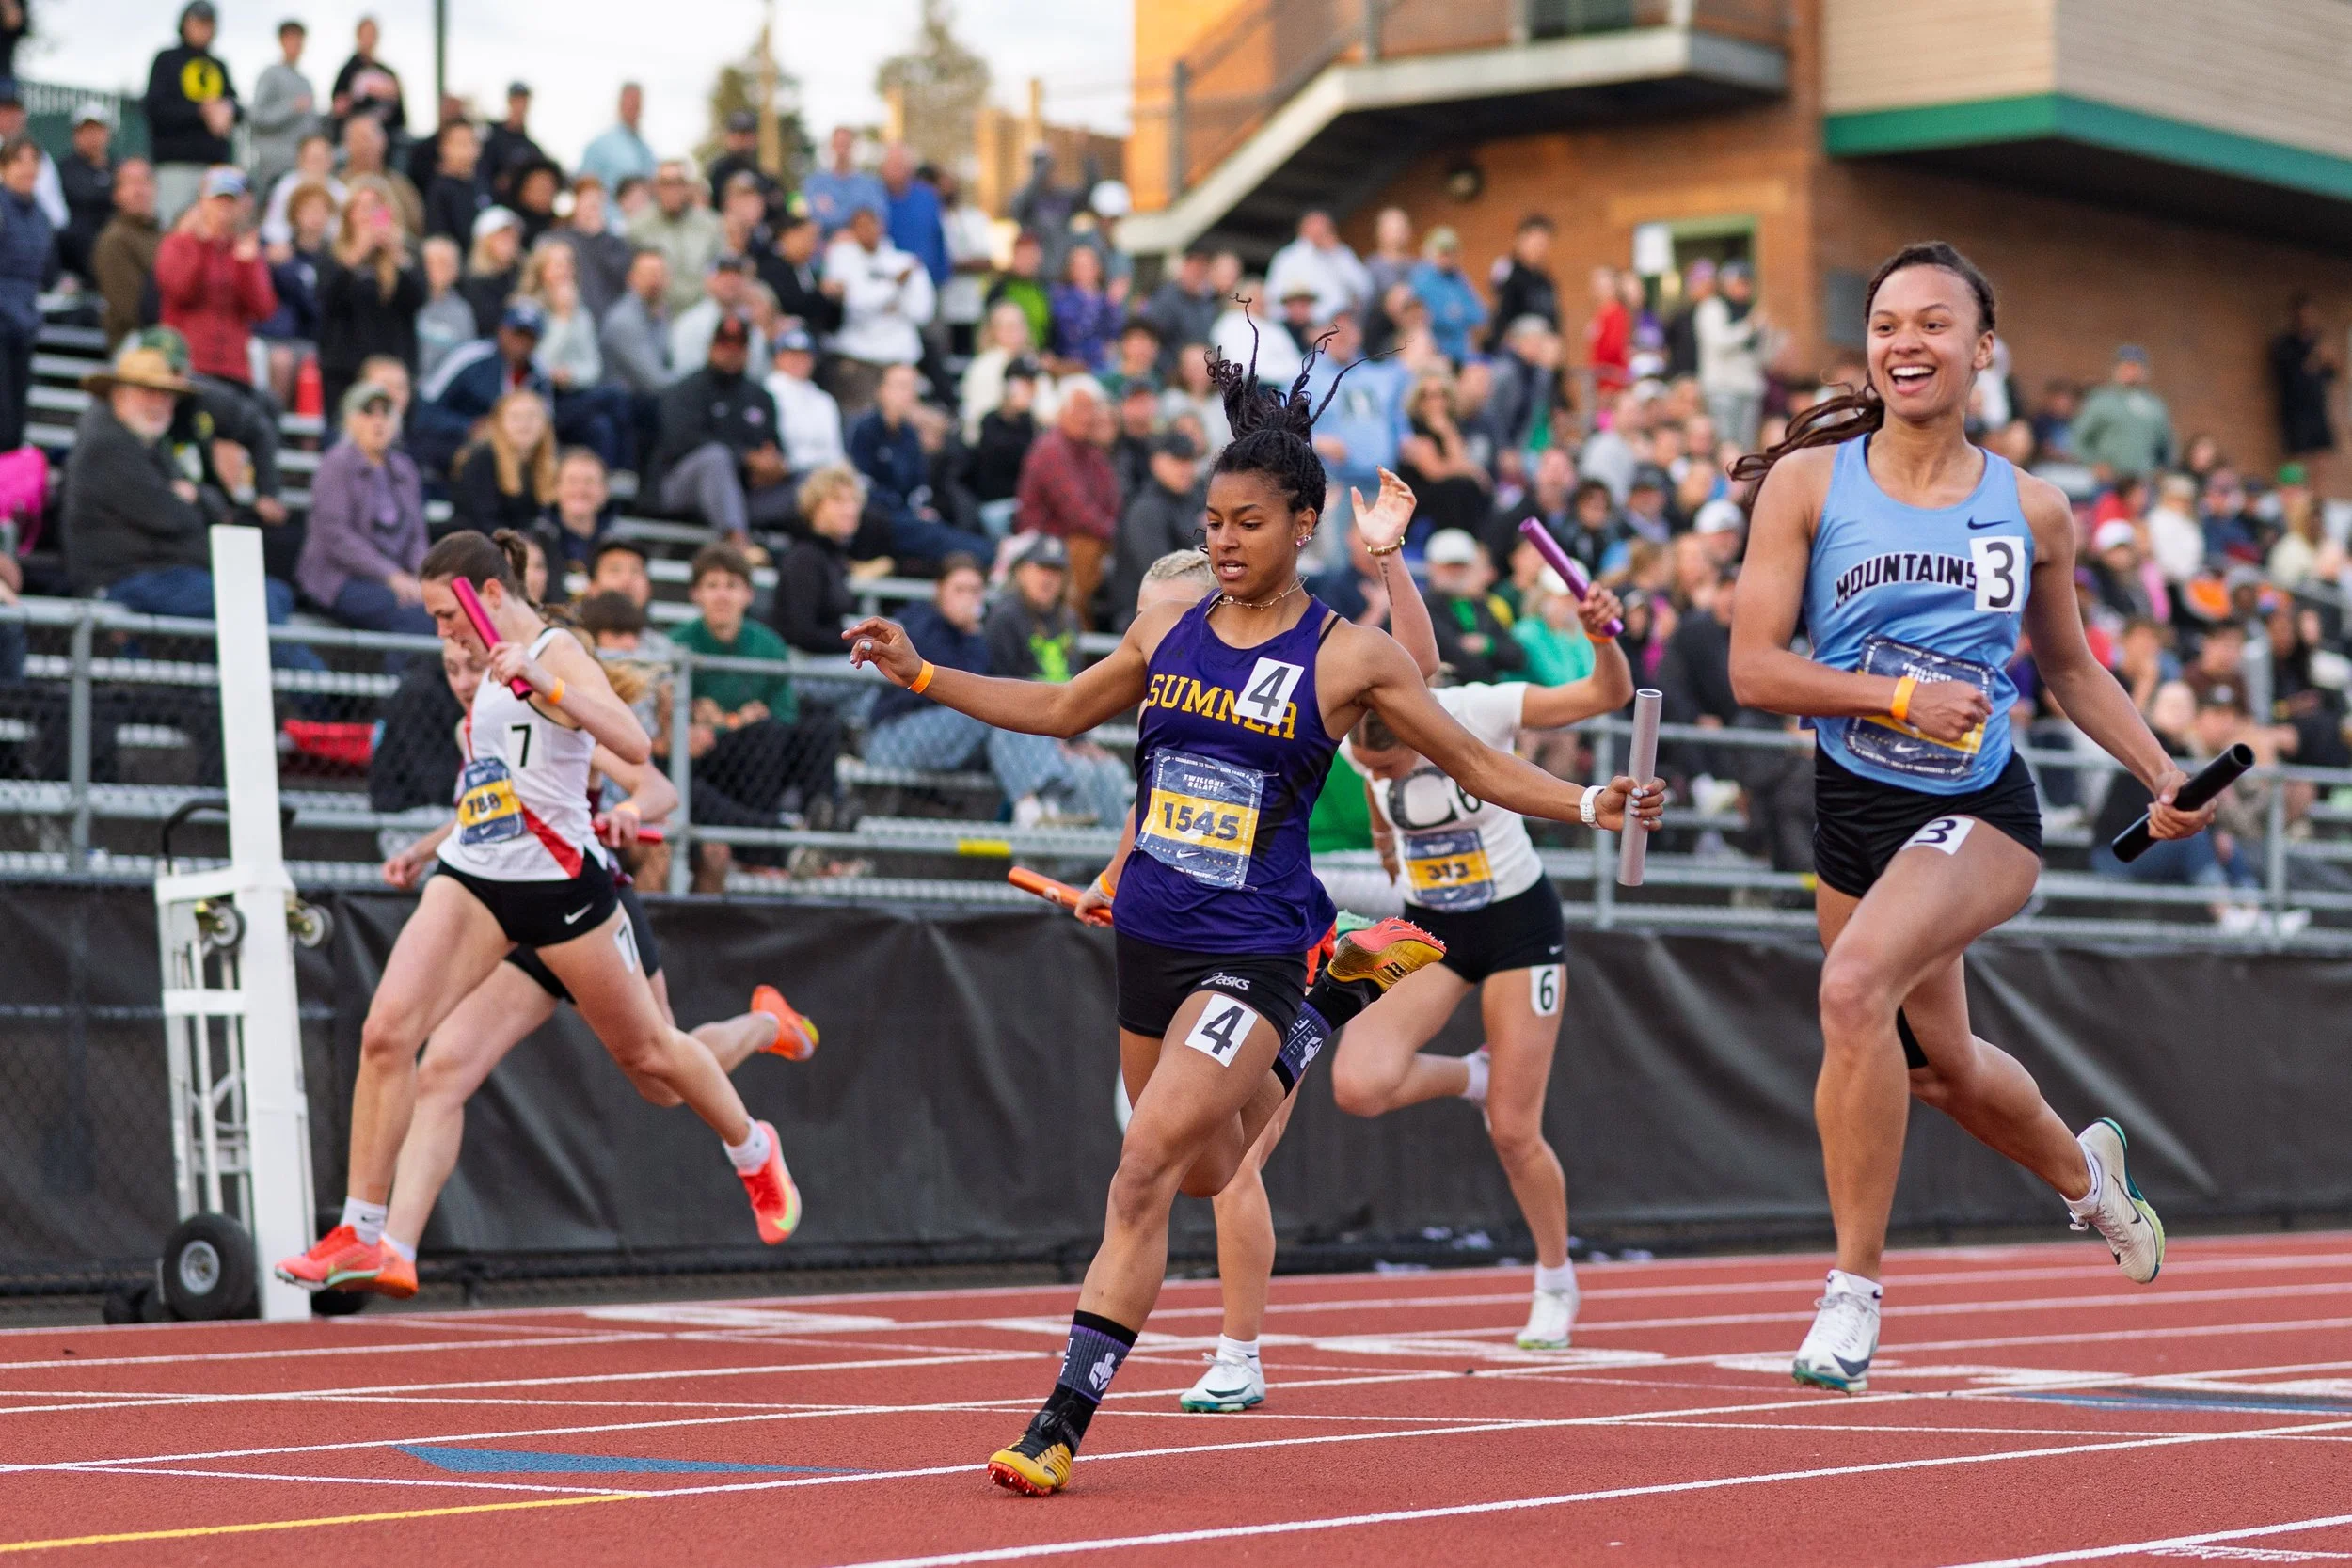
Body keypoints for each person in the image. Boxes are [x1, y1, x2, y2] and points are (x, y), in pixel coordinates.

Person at [843, 337, 1661, 1494]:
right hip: (1153, 939)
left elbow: (1474, 757)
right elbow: (1060, 705)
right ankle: (1327, 1016)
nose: (1224, 539)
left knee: (1138, 1167)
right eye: (1212, 519)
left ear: (1303, 527)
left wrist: (1587, 797)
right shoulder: (1168, 627)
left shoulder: (1347, 657)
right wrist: (923, 672)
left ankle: (1057, 1421)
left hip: (1254, 948)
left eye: (1248, 522)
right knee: (1201, 1168)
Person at [1724, 242, 2219, 1397]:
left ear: (1981, 348)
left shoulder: (2032, 507)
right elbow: (1753, 667)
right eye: (1887, 323)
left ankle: (1852, 1293)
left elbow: (2071, 668)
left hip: (1978, 815)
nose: (1907, 342)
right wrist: (1891, 694)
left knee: (1851, 989)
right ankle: (2089, 1176)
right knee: (1935, 1067)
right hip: (1852, 808)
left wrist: (2161, 770)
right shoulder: (1809, 485)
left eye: (1934, 323)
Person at [274, 530, 803, 1296]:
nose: (442, 641)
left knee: (655, 1060)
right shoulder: (476, 695)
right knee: (391, 1033)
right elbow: (489, 802)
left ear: (487, 595)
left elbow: (633, 744)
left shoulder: (553, 654)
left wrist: (550, 692)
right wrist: (428, 851)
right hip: (478, 882)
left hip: (566, 891)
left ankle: (753, 1146)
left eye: (444, 618)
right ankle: (365, 1233)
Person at [368, 635, 818, 1292]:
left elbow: (657, 785)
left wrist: (631, 811)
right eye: (453, 668)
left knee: (664, 1076)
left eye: (474, 666)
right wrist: (424, 847)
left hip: (588, 911)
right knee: (442, 1067)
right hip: (512, 918)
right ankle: (396, 1246)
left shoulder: (556, 713)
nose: (466, 680)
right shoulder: (482, 727)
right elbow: (488, 813)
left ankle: (762, 1026)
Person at [866, 556, 1120, 825]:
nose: (968, 598)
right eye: (959, 590)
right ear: (939, 591)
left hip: (953, 738)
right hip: (896, 739)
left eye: (975, 591)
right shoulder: (920, 625)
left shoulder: (976, 636)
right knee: (996, 713)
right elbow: (948, 682)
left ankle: (1037, 809)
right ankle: (1032, 813)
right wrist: (973, 638)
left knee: (1006, 714)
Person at [673, 542, 843, 827]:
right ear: (695, 594)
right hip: (709, 756)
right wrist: (736, 721)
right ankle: (769, 838)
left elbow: (784, 712)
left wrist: (724, 719)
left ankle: (820, 827)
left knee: (820, 726)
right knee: (762, 736)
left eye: (732, 585)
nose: (722, 595)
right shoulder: (678, 644)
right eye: (712, 585)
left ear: (748, 594)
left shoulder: (769, 644)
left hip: (765, 750)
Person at [298, 380, 430, 636]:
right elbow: (337, 537)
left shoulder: (405, 468)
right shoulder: (335, 464)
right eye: (368, 413)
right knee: (411, 615)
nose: (378, 421)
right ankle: (404, 677)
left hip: (398, 577)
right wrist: (391, 575)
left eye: (386, 413)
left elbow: (417, 534)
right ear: (350, 420)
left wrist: (423, 577)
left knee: (438, 605)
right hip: (340, 580)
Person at [647, 314, 792, 545]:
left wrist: (775, 465)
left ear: (747, 351)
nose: (731, 352)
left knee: (815, 479)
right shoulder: (686, 390)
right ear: (711, 348)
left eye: (738, 346)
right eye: (725, 345)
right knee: (715, 457)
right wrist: (746, 458)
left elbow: (773, 445)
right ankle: (737, 542)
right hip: (682, 485)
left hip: (746, 491)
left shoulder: (761, 397)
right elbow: (680, 441)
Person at [848, 362, 994, 567]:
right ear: (882, 391)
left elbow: (920, 486)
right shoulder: (863, 429)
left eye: (912, 387)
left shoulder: (910, 435)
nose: (908, 393)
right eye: (901, 386)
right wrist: (901, 505)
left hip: (909, 517)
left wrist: (920, 508)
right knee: (934, 534)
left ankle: (989, 553)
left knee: (945, 521)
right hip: (878, 519)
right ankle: (993, 555)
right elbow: (859, 483)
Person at [154, 166, 273, 396]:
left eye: (231, 201)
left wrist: (246, 266)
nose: (224, 207)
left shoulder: (245, 250)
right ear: (202, 203)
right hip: (188, 365)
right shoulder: (178, 243)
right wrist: (202, 245)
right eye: (218, 200)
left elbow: (263, 309)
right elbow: (180, 292)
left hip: (234, 369)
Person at [1015, 381, 1120, 626]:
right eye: (1081, 408)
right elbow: (1077, 512)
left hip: (1080, 542)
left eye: (1093, 409)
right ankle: (1079, 636)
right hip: (1042, 545)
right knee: (1085, 549)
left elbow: (1112, 500)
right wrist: (1115, 535)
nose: (1089, 416)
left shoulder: (1091, 452)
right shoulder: (1052, 449)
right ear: (1062, 410)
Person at [317, 178, 422, 419]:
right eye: (360, 207)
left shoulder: (408, 252)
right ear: (348, 214)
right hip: (344, 369)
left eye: (375, 206)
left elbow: (418, 300)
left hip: (393, 366)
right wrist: (356, 254)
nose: (368, 214)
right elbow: (327, 300)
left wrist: (397, 256)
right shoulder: (331, 252)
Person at [824, 203, 934, 418]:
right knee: (860, 422)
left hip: (899, 359)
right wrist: (895, 286)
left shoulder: (904, 261)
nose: (867, 231)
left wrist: (887, 299)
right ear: (852, 230)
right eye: (860, 226)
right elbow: (856, 303)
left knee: (904, 422)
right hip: (860, 360)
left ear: (881, 226)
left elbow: (922, 312)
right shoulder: (841, 257)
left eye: (871, 224)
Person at [145, 0, 240, 224]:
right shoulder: (167, 60)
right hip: (176, 165)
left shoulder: (219, 65)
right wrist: (200, 111)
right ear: (184, 24)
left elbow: (236, 106)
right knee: (175, 228)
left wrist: (228, 111)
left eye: (208, 23)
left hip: (214, 168)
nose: (203, 29)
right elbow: (155, 109)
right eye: (197, 22)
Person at [769, 466, 866, 653]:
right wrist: (853, 644)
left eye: (854, 501)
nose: (850, 510)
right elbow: (802, 633)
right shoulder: (805, 558)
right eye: (839, 501)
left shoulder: (832, 557)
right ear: (815, 507)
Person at [1110, 432, 1203, 626]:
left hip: (1185, 609)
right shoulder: (1146, 509)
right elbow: (1161, 572)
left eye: (1189, 461)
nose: (1186, 469)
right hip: (1143, 617)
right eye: (1178, 461)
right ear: (1157, 462)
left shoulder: (1193, 500)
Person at [0, 134, 52, 451]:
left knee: (15, 417)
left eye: (34, 161)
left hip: (22, 326)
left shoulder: (41, 216)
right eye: (19, 160)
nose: (27, 168)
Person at [1423, 530, 1527, 683]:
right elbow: (1456, 657)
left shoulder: (1479, 605)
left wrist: (1486, 645)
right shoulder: (1424, 607)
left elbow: (1517, 656)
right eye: (1448, 565)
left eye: (1461, 565)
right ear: (1432, 566)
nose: (1456, 572)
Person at [451, 388, 557, 537]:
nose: (525, 424)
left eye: (532, 416)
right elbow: (483, 521)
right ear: (499, 423)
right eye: (516, 417)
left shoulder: (548, 462)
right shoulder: (481, 460)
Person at [629, 160, 723, 315]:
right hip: (654, 316)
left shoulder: (710, 226)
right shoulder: (637, 227)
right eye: (666, 183)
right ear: (656, 188)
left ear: (688, 187)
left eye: (679, 183)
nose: (672, 190)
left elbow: (720, 271)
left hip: (700, 313)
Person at [2072, 345, 2174, 481]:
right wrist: (2094, 463)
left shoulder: (2155, 406)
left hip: (2142, 483)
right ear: (2117, 370)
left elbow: (2166, 443)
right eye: (2126, 366)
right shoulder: (2101, 400)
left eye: (2136, 367)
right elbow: (2079, 437)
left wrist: (2162, 469)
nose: (2131, 372)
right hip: (2109, 481)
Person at [1696, 261, 1769, 449]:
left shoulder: (1751, 310)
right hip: (1723, 388)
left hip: (1749, 388)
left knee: (1746, 446)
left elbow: (1761, 354)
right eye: (1740, 282)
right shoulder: (1712, 307)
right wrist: (1748, 327)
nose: (1745, 288)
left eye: (1748, 283)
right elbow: (1719, 343)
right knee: (1725, 444)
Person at [92, 159, 160, 348]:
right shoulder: (114, 239)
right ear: (117, 194)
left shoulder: (165, 236)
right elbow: (130, 311)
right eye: (131, 183)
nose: (140, 190)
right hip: (133, 341)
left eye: (145, 182)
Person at [249, 19, 321, 195]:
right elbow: (257, 116)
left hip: (304, 168)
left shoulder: (306, 82)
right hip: (275, 168)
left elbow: (312, 127)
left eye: (299, 40)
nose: (296, 44)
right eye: (291, 39)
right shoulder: (270, 75)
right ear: (282, 41)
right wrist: (291, 107)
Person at [765, 326, 845, 479]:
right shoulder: (767, 393)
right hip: (788, 476)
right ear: (778, 357)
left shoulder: (824, 400)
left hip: (825, 476)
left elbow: (835, 451)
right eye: (791, 355)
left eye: (804, 356)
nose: (798, 361)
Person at [1264, 209, 1369, 326]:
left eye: (1325, 229)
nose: (1320, 234)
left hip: (1342, 325)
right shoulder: (1287, 258)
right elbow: (1273, 300)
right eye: (1315, 229)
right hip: (1303, 327)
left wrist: (1336, 255)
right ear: (1302, 230)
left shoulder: (1342, 254)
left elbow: (1365, 289)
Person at [2269, 294, 2337, 457]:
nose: (2307, 320)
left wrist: (2331, 361)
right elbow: (2294, 373)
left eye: (2310, 314)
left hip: (2318, 408)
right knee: (2298, 459)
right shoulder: (2285, 343)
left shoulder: (2319, 339)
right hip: (2296, 411)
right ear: (2295, 315)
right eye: (2303, 315)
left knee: (2322, 456)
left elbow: (2331, 375)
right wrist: (2315, 358)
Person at [57, 104, 117, 287]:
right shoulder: (66, 168)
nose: (92, 137)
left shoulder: (118, 166)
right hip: (78, 252)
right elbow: (84, 195)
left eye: (97, 130)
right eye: (86, 131)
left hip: (113, 246)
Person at [1408, 228, 1486, 366]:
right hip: (1435, 353)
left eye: (1452, 252)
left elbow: (1479, 315)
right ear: (1430, 252)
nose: (1448, 257)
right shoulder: (1421, 280)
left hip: (1462, 353)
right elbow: (1430, 318)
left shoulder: (1458, 278)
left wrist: (1457, 314)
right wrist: (1455, 315)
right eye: (1443, 252)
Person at [340, 115, 423, 238]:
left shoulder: (400, 185)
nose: (365, 145)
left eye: (369, 138)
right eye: (358, 139)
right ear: (347, 145)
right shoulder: (338, 185)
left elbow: (416, 225)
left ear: (383, 141)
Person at [802, 126, 887, 241]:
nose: (842, 151)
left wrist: (850, 233)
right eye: (838, 145)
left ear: (854, 147)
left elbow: (878, 222)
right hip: (824, 252)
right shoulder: (814, 183)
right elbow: (812, 221)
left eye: (846, 145)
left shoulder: (871, 184)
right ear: (831, 147)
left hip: (861, 250)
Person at [1486, 214, 1558, 347]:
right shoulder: (1507, 270)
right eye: (1536, 242)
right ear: (1521, 240)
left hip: (1542, 350)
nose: (1540, 248)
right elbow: (1500, 311)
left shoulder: (1546, 281)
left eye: (1544, 244)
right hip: (1513, 347)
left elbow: (1555, 321)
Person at [330, 15, 406, 140]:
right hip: (358, 138)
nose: (369, 39)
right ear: (358, 36)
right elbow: (338, 107)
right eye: (366, 34)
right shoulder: (347, 71)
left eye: (372, 34)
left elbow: (400, 111)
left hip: (389, 137)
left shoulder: (388, 73)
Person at [1048, 245, 1120, 373]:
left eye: (1088, 265)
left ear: (1097, 268)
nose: (1084, 270)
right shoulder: (1059, 298)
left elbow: (1113, 336)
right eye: (1078, 265)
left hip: (1101, 367)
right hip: (1067, 367)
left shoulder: (1107, 302)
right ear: (1070, 270)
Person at [580, 83, 656, 196]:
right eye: (629, 102)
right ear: (620, 105)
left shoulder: (647, 150)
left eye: (637, 104)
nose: (633, 108)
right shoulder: (600, 146)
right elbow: (585, 188)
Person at [422, 120, 488, 246]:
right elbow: (439, 237)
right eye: (460, 143)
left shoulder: (482, 183)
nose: (466, 149)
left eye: (472, 142)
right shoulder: (439, 190)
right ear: (444, 147)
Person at [483, 83, 549, 206]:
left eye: (524, 101)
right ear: (509, 102)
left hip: (521, 209)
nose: (520, 106)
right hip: (494, 206)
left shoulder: (531, 147)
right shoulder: (491, 137)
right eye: (517, 100)